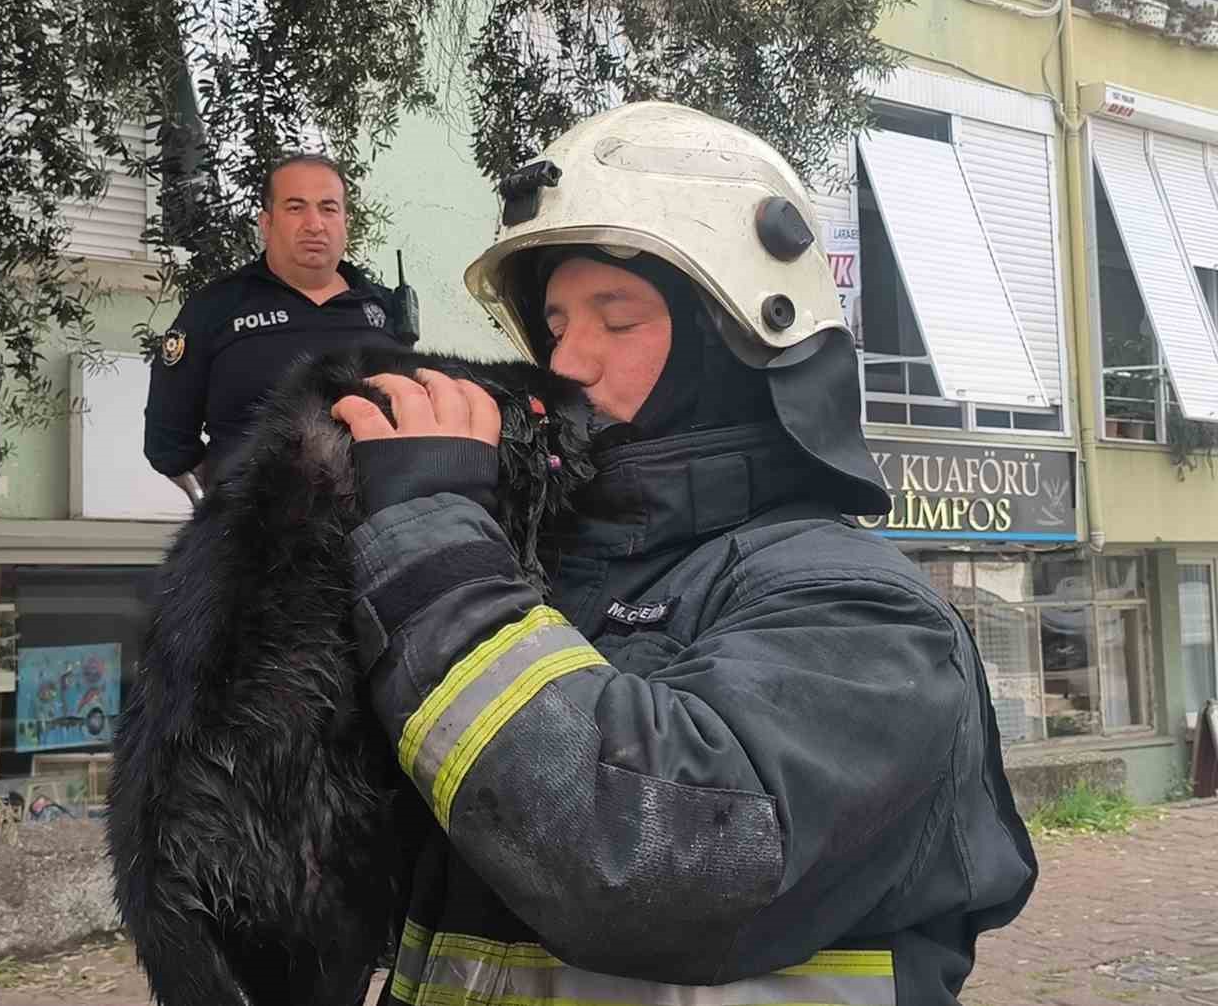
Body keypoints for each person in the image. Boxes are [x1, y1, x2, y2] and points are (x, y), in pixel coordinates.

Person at [329, 102, 1036, 1005]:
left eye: (616, 321)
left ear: (735, 341)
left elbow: (651, 862)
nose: (569, 360)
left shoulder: (863, 610)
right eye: (553, 325)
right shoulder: (539, 584)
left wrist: (431, 541)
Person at [143, 153, 415, 503]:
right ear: (266, 223)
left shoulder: (384, 309)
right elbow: (168, 443)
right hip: (256, 532)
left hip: (375, 525)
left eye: (329, 208)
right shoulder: (215, 308)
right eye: (296, 207)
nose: (315, 224)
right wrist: (219, 503)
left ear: (346, 222)